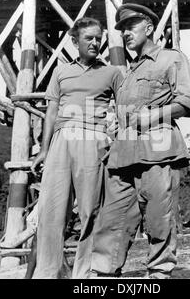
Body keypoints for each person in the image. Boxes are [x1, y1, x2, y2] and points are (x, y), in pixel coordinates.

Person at [90, 3, 190, 279]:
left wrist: (150, 117)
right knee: (112, 221)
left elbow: (189, 103)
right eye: (122, 29)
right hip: (123, 155)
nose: (125, 33)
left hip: (158, 151)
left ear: (149, 28)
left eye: (131, 26)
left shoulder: (170, 59)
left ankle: (159, 274)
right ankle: (103, 275)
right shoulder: (127, 72)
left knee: (158, 218)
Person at [31, 17, 123, 279]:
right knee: (51, 209)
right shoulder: (60, 71)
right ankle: (49, 272)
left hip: (93, 140)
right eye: (89, 38)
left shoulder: (112, 73)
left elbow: (126, 107)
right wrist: (44, 149)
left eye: (98, 38)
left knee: (90, 210)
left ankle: (85, 274)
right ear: (75, 42)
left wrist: (115, 142)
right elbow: (50, 111)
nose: (95, 42)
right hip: (61, 140)